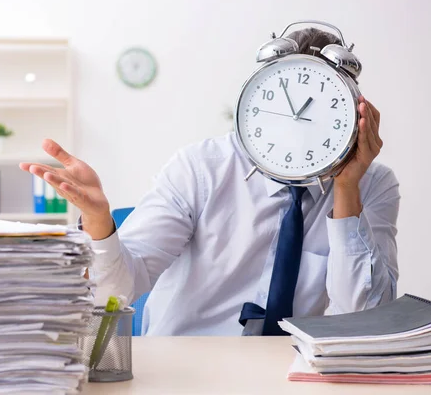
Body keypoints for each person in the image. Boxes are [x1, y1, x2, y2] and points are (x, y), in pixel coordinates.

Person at [20, 28, 400, 336]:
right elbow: (115, 291)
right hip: (185, 364)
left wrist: (348, 190)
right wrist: (100, 221)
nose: (298, 127)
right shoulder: (200, 168)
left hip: (290, 373)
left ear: (353, 114)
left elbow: (366, 319)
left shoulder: (373, 184)